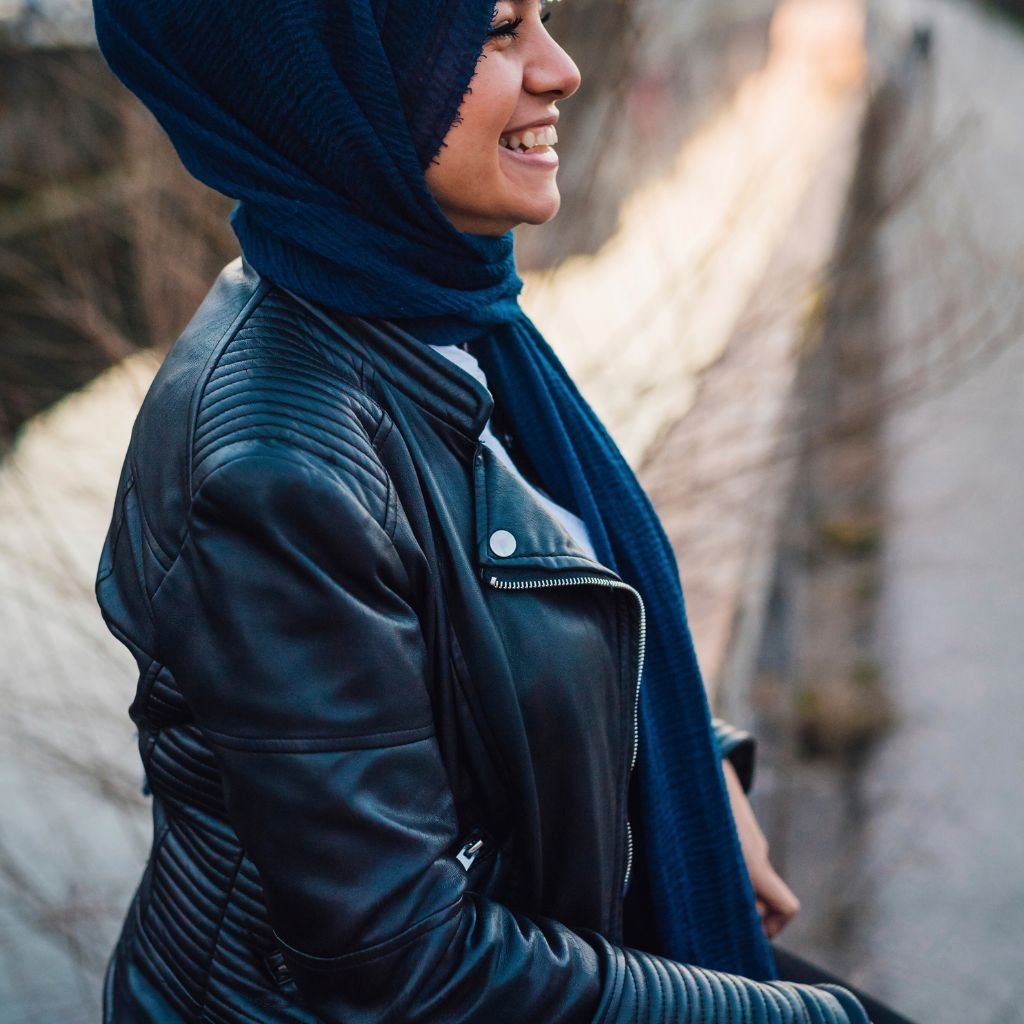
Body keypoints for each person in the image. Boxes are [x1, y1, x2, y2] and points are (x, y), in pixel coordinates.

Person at [91, 0, 911, 1020]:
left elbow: (506, 625)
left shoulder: (428, 314)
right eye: (494, 33)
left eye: (545, 19)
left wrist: (691, 763)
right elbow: (404, 969)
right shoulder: (279, 469)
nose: (560, 70)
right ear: (340, 94)